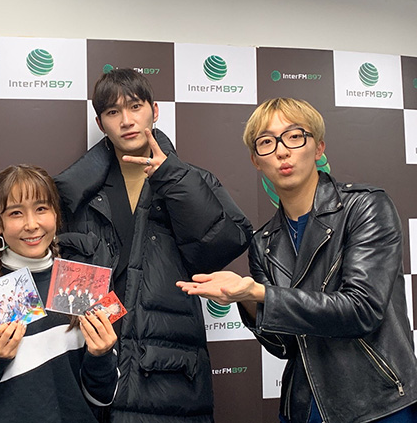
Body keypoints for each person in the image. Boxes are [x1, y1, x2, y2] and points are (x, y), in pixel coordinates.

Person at [177, 97, 417, 423]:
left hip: (379, 403)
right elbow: (284, 346)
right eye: (266, 142)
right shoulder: (264, 243)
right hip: (304, 408)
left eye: (294, 136)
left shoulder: (365, 207)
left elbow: (361, 311)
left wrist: (260, 293)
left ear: (318, 148)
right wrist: (246, 299)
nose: (281, 151)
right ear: (256, 160)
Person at [54, 68, 253, 422]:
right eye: (113, 112)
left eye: (135, 106)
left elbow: (225, 245)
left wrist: (173, 179)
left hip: (169, 371)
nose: (126, 121)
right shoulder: (76, 196)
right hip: (95, 366)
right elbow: (62, 285)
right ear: (100, 123)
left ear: (155, 110)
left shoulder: (191, 180)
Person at [0, 165, 119, 422]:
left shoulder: (85, 285)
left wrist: (101, 356)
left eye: (41, 209)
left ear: (55, 213)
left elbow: (103, 397)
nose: (31, 225)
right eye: (16, 213)